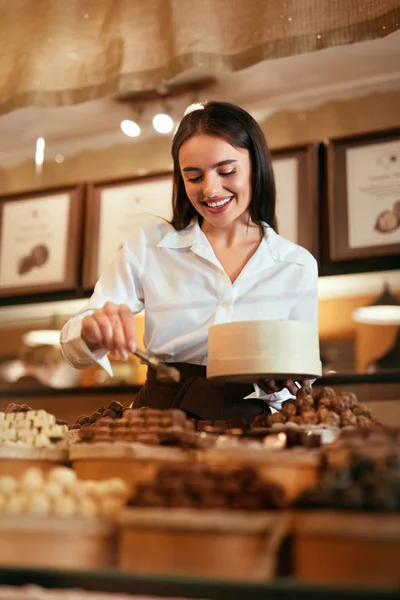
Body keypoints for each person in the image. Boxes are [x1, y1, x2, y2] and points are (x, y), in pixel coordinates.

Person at [60, 101, 318, 421]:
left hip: (256, 424)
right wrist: (92, 329)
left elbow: (302, 369)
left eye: (227, 171)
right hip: (161, 417)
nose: (210, 189)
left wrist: (282, 375)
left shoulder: (296, 264)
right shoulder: (149, 246)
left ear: (257, 165)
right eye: (194, 176)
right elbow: (73, 348)